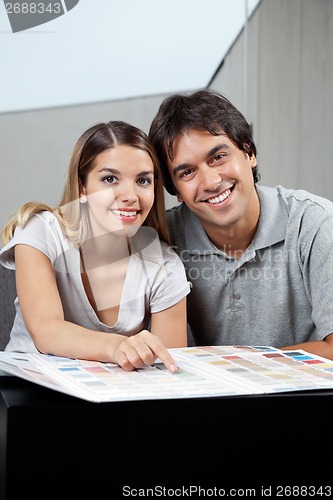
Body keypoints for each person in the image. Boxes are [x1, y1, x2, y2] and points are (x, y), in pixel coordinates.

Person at [149, 88, 333, 359]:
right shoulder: (163, 238)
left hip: (303, 399)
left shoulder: (314, 223)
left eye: (218, 157)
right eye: (187, 172)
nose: (211, 182)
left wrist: (238, 364)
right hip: (205, 397)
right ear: (175, 189)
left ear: (248, 152)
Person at [0, 121, 191, 372]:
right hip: (27, 394)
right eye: (110, 178)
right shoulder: (42, 231)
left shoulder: (164, 266)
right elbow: (46, 331)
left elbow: (170, 367)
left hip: (115, 399)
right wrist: (116, 347)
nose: (130, 196)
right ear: (82, 187)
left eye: (143, 181)